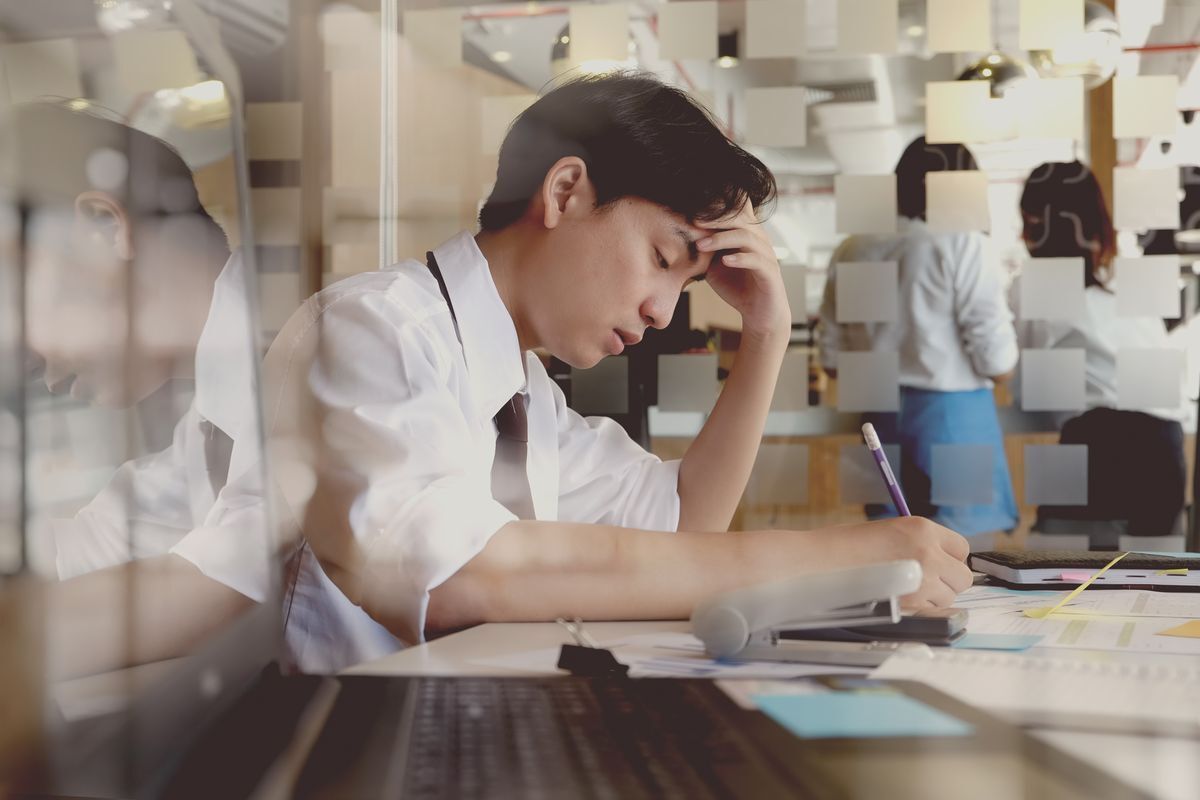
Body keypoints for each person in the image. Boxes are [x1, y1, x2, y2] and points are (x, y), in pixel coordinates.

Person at [260, 74, 973, 673]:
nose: (663, 314)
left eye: (686, 287)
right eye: (664, 261)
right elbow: (456, 574)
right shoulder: (370, 329)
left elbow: (684, 526)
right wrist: (824, 561)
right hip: (352, 752)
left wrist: (766, 334)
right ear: (566, 191)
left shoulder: (524, 392)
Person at [10, 102, 259, 679]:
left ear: (104, 225)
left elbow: (228, 586)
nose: (40, 370)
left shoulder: (299, 348)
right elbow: (90, 543)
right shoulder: (207, 419)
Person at [818, 137, 1020, 541]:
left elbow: (832, 359)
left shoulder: (853, 248)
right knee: (965, 553)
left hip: (878, 416)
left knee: (889, 548)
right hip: (951, 415)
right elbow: (997, 362)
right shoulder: (963, 243)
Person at [1014, 161, 1186, 537]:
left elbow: (1031, 388)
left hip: (1099, 441)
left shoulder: (1035, 286)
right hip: (1166, 448)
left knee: (1064, 570)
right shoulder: (1129, 277)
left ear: (1033, 224)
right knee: (1147, 576)